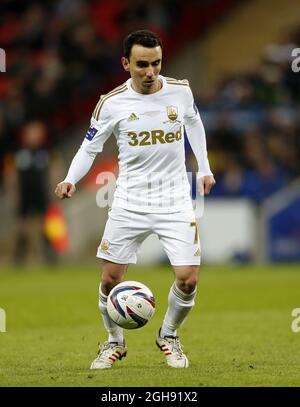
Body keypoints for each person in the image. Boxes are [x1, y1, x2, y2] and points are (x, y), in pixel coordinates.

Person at [55, 30, 215, 369]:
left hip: (174, 199)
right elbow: (89, 146)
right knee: (110, 279)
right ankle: (114, 342)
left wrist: (204, 168)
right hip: (130, 200)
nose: (150, 72)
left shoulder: (181, 92)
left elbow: (195, 125)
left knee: (188, 277)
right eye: (142, 65)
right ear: (126, 64)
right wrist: (71, 179)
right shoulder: (111, 103)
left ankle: (169, 335)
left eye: (156, 63)